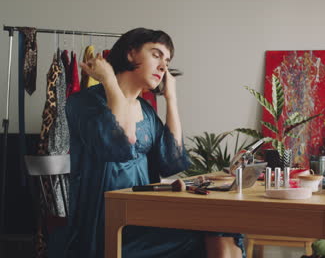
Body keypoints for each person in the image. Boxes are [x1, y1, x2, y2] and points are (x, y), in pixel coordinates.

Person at [63, 28, 244, 258]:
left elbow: (172, 160)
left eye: (167, 61)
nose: (163, 67)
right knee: (209, 233)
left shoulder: (147, 112)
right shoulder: (83, 103)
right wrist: (110, 81)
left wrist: (172, 99)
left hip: (143, 215)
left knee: (221, 225)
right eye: (156, 55)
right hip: (105, 226)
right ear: (131, 54)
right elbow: (120, 145)